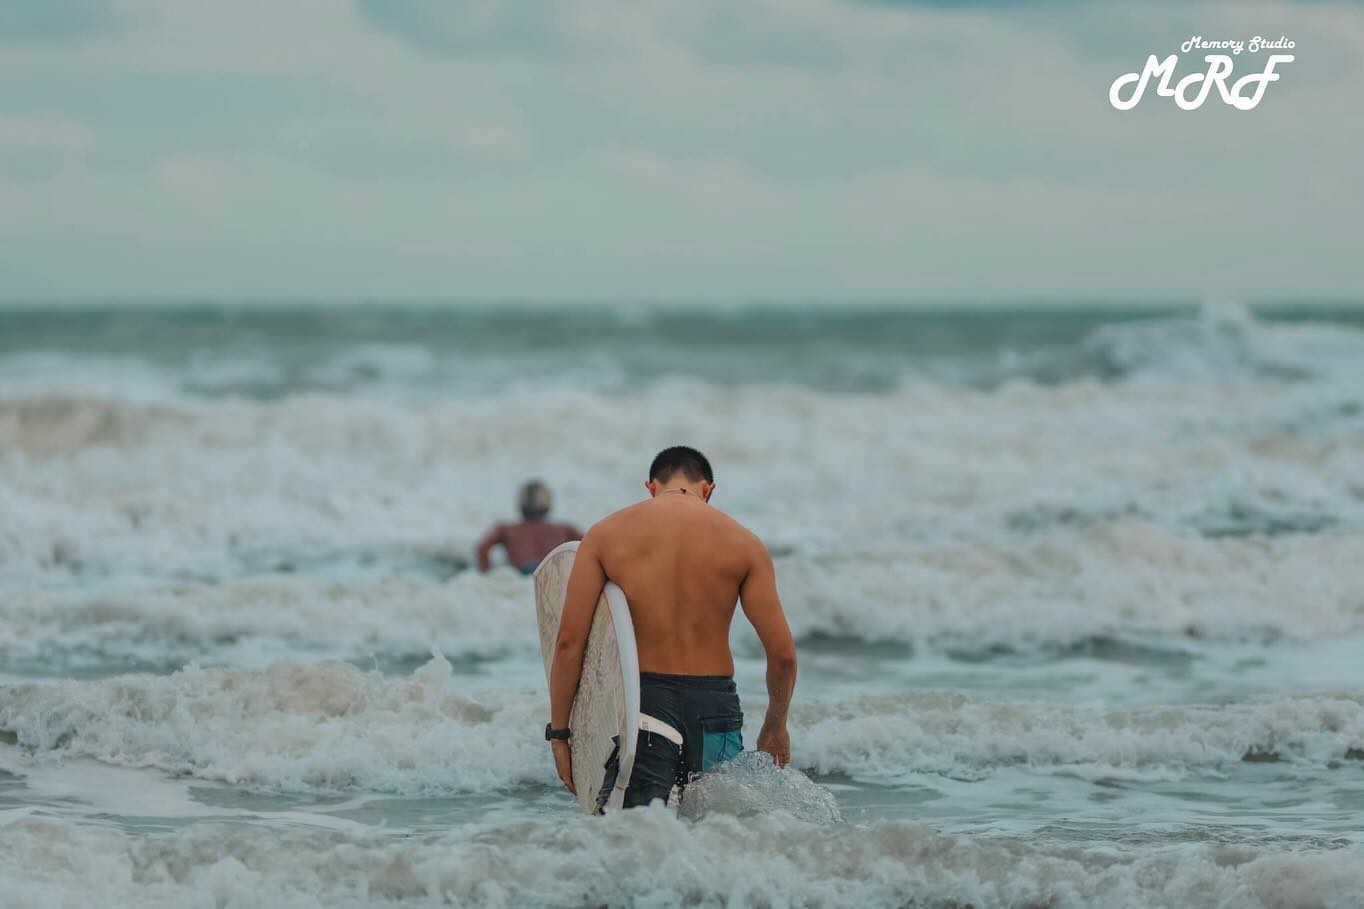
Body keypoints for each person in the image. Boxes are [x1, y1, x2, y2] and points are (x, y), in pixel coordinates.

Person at [547, 446, 797, 811]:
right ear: (708, 489)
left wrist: (559, 735)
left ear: (650, 486)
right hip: (715, 707)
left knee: (638, 831)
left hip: (643, 703)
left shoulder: (605, 535)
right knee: (718, 826)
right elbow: (783, 655)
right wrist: (776, 725)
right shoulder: (745, 544)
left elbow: (569, 643)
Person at [476, 481, 582, 574]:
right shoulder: (564, 529)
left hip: (523, 572)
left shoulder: (506, 529)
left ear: (521, 505)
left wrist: (487, 575)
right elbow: (592, 545)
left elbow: (482, 547)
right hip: (553, 571)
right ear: (547, 506)